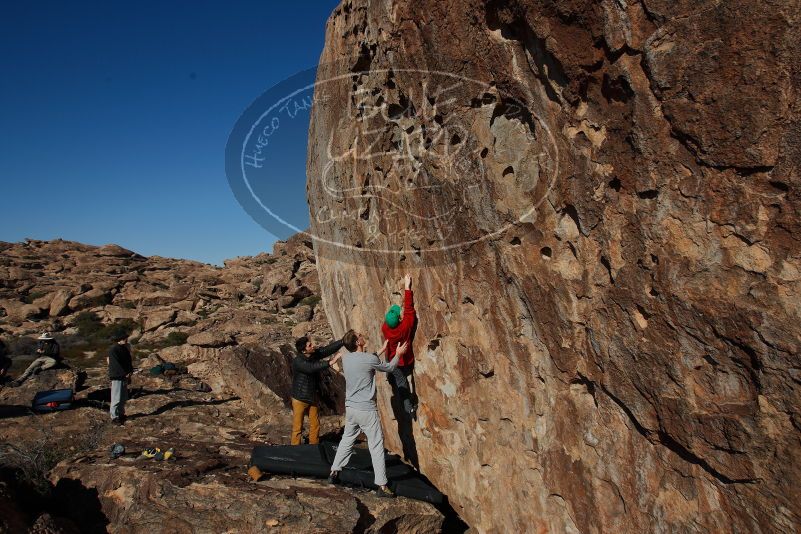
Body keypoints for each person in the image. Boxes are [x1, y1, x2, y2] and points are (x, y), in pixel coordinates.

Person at [328, 331, 408, 498]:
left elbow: (365, 359)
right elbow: (390, 367)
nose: (363, 335)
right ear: (358, 342)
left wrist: (382, 349)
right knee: (376, 445)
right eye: (360, 335)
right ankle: (382, 485)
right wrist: (398, 354)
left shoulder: (346, 357)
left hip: (351, 408)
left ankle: (334, 471)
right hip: (366, 410)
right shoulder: (368, 359)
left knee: (347, 439)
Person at [290, 333, 347, 445]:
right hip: (299, 398)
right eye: (309, 345)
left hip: (312, 396)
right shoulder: (298, 361)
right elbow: (310, 368)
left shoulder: (312, 355)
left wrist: (342, 341)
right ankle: (294, 450)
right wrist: (330, 362)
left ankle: (313, 446)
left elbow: (326, 350)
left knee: (315, 424)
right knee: (297, 428)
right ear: (304, 351)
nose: (313, 346)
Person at [382, 274, 417, 417]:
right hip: (404, 360)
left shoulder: (385, 328)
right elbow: (409, 310)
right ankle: (408, 408)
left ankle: (390, 375)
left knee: (398, 378)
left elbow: (393, 320)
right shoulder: (405, 327)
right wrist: (407, 288)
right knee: (403, 382)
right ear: (400, 319)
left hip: (392, 359)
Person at [108, 332, 133, 425]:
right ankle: (114, 417)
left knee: (123, 397)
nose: (126, 340)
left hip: (124, 375)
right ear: (119, 340)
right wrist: (124, 373)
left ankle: (121, 414)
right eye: (124, 338)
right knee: (116, 398)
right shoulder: (113, 350)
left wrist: (130, 371)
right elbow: (115, 364)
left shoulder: (124, 349)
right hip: (117, 376)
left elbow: (129, 361)